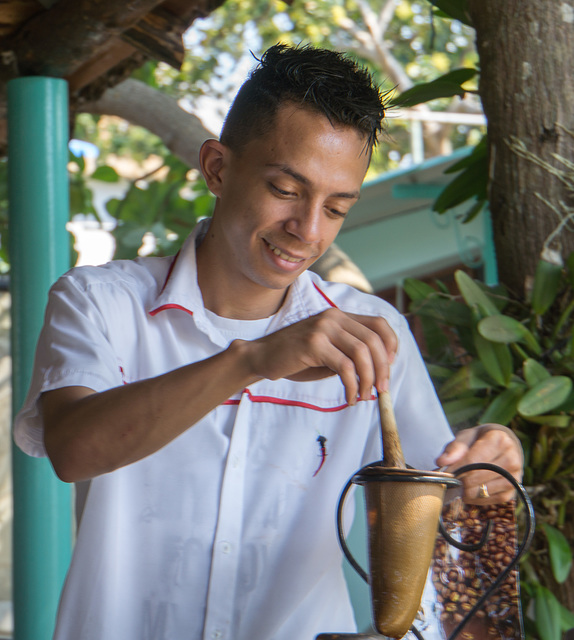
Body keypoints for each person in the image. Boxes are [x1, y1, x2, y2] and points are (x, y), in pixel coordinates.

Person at [14, 44, 523, 640]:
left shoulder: (370, 332)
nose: (308, 230)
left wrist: (487, 463)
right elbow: (75, 448)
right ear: (218, 168)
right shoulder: (101, 301)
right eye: (286, 189)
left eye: (335, 208)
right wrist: (255, 359)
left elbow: (443, 503)